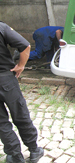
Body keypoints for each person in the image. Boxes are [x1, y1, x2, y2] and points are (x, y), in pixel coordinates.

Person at [0, 21, 44, 163]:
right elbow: (25, 46)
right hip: (6, 79)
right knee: (20, 114)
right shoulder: (1, 27)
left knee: (1, 122)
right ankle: (34, 150)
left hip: (5, 78)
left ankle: (15, 156)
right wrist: (21, 66)